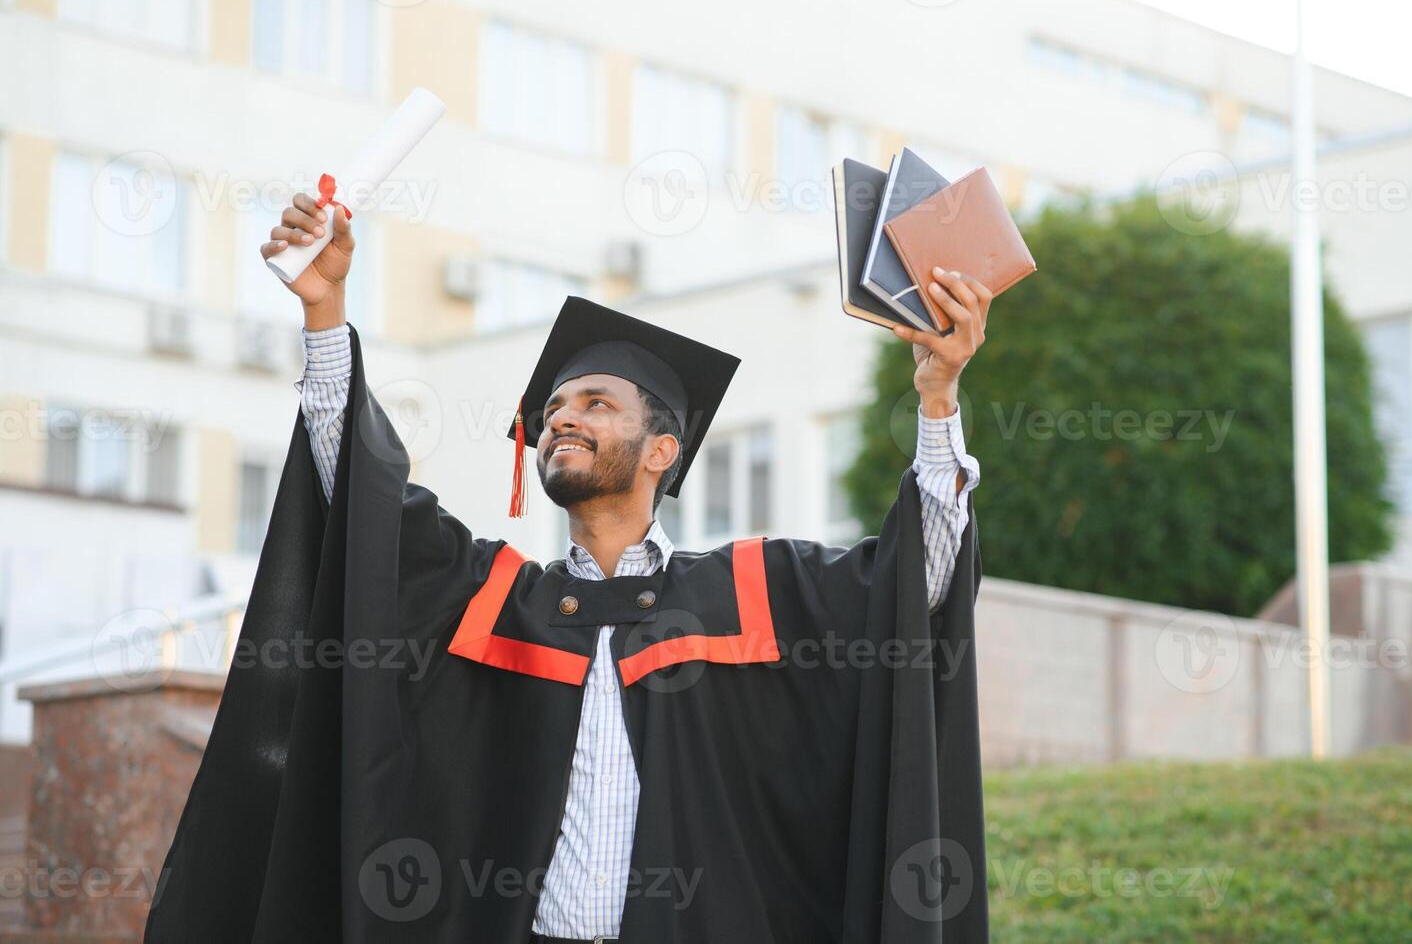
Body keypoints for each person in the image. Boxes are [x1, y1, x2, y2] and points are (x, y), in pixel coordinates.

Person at [144, 192, 994, 943]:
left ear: (663, 449)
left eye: (595, 404)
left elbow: (913, 588)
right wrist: (325, 315)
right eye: (551, 411)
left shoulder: (750, 592)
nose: (560, 421)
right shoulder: (497, 600)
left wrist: (936, 399)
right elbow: (366, 510)